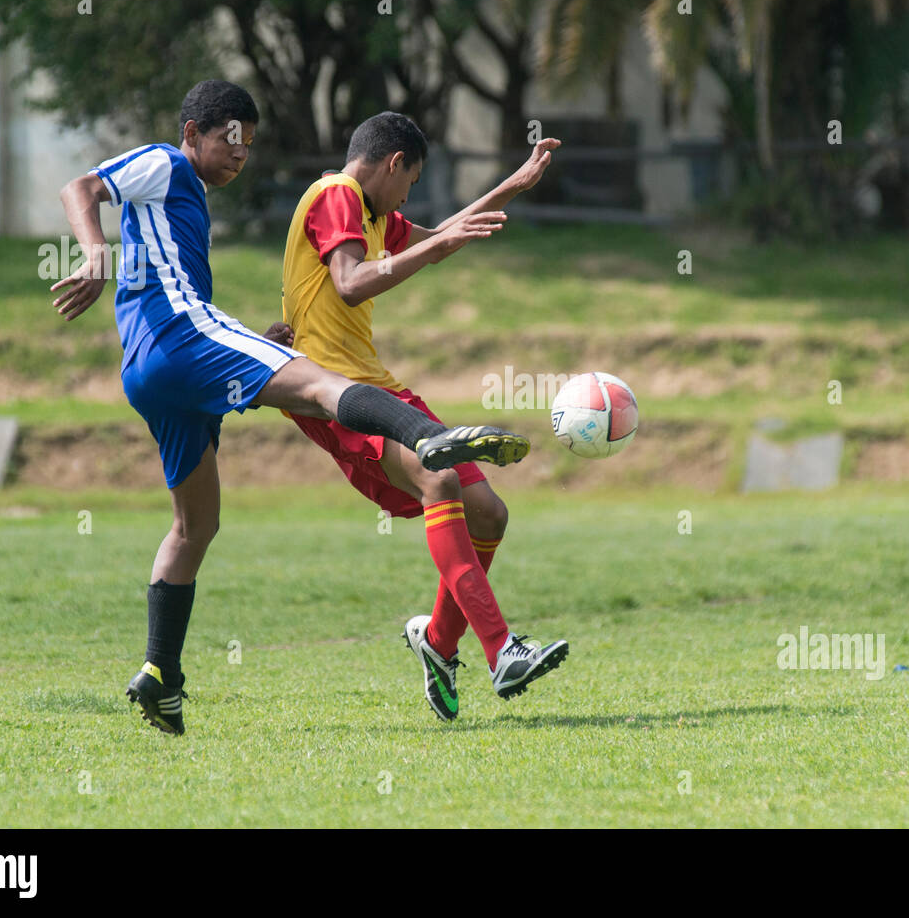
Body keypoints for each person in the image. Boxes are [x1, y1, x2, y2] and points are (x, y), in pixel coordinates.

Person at [53, 81, 530, 735]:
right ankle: (428, 437)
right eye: (228, 140)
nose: (239, 155)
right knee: (318, 385)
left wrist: (511, 185)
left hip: (159, 369)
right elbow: (80, 188)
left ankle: (160, 674)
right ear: (191, 132)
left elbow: (439, 233)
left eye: (247, 145)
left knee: (196, 526)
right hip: (184, 338)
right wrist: (93, 252)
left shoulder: (188, 197)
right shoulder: (166, 161)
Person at [278, 110, 567, 721]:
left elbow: (443, 234)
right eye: (411, 181)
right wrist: (436, 247)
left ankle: (437, 643)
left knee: (489, 510)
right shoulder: (337, 194)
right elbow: (352, 283)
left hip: (379, 387)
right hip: (333, 393)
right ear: (392, 164)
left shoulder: (373, 215)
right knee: (439, 479)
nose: (409, 194)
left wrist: (513, 185)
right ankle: (502, 651)